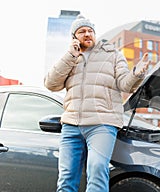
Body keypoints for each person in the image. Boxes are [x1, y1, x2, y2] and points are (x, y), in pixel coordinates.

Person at [44, 15, 150, 192]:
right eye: (82, 31)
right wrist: (71, 55)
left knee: (97, 168)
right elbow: (51, 84)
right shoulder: (70, 58)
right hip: (72, 125)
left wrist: (137, 74)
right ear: (74, 37)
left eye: (90, 31)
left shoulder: (113, 55)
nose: (87, 34)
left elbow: (125, 84)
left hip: (101, 124)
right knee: (66, 176)